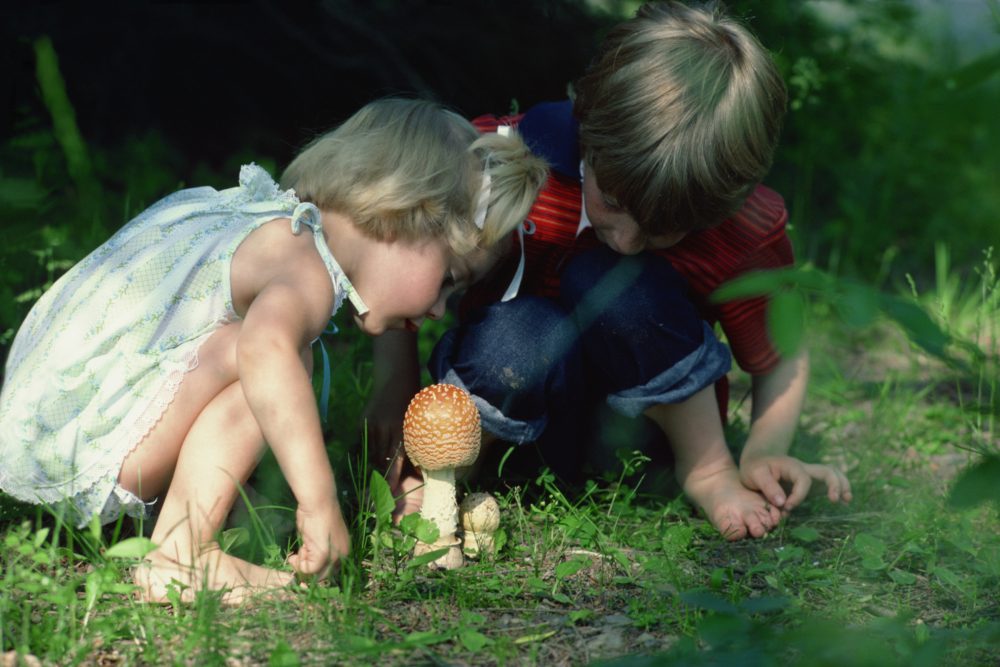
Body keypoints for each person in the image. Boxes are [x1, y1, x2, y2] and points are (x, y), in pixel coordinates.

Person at [0, 98, 547, 602]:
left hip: (47, 424)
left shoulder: (271, 221)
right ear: (405, 213)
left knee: (266, 350)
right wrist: (319, 503)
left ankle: (181, 529)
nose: (437, 310)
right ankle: (181, 552)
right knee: (277, 356)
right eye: (449, 278)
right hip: (87, 445)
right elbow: (265, 351)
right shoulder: (301, 261)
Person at [368, 1, 851, 541]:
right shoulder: (505, 162)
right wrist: (395, 379)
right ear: (588, 130)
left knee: (612, 279)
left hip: (649, 444)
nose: (628, 240)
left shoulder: (737, 227)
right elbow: (410, 249)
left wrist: (764, 449)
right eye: (616, 203)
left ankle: (709, 471)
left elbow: (783, 352)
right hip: (511, 418)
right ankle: (444, 480)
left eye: (666, 230)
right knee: (522, 331)